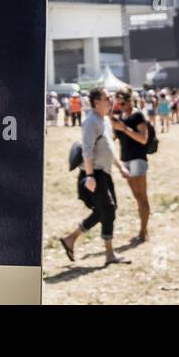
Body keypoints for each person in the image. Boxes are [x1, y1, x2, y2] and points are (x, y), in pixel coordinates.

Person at [59, 88, 131, 265]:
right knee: (108, 209)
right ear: (96, 102)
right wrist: (90, 176)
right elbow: (87, 150)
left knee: (105, 210)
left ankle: (71, 239)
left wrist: (120, 167)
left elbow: (108, 148)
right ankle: (109, 254)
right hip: (94, 174)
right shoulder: (91, 121)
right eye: (107, 98)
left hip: (103, 173)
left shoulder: (104, 120)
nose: (111, 100)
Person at [111, 88, 151, 242]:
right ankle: (142, 229)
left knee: (142, 197)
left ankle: (144, 231)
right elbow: (114, 138)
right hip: (126, 160)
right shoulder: (120, 117)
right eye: (117, 103)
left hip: (138, 159)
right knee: (136, 196)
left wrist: (125, 129)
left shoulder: (137, 115)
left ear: (129, 100)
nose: (119, 106)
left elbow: (143, 139)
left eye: (122, 102)